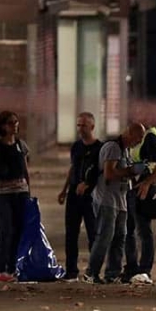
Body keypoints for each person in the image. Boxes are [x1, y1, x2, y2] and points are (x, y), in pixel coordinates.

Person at [85, 123, 146, 284]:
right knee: (104, 237)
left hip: (121, 200)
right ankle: (91, 273)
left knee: (120, 237)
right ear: (130, 133)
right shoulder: (113, 147)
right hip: (106, 200)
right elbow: (109, 173)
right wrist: (131, 171)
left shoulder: (125, 150)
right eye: (139, 137)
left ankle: (112, 273)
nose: (139, 141)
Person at [0, 111, 31, 282]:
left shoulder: (20, 145)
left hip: (20, 193)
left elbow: (25, 170)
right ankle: (1, 268)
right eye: (11, 123)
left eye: (16, 122)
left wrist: (29, 192)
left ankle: (12, 268)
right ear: (3, 126)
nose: (15, 125)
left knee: (17, 231)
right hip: (1, 195)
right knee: (6, 230)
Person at [57, 112, 102, 282]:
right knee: (71, 233)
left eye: (83, 125)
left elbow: (102, 172)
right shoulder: (76, 147)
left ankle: (93, 271)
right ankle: (71, 271)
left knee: (93, 233)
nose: (80, 129)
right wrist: (64, 190)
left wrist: (89, 185)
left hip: (91, 197)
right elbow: (72, 168)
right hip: (74, 195)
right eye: (78, 125)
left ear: (92, 126)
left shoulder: (100, 148)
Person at [123, 123, 156, 284]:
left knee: (143, 230)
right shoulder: (143, 136)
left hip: (143, 190)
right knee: (130, 230)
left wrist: (147, 184)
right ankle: (132, 268)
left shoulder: (150, 136)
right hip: (134, 187)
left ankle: (144, 269)